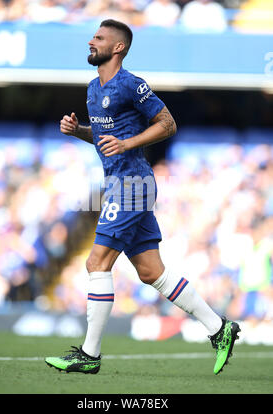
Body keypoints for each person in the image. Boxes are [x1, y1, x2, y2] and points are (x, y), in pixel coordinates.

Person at [45, 19, 240, 375]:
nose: (91, 40)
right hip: (119, 183)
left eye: (99, 38)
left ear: (117, 47)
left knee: (96, 263)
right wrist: (79, 132)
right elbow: (108, 138)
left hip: (133, 184)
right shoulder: (93, 88)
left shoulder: (131, 85)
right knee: (152, 272)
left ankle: (89, 355)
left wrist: (128, 143)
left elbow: (168, 124)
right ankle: (219, 328)